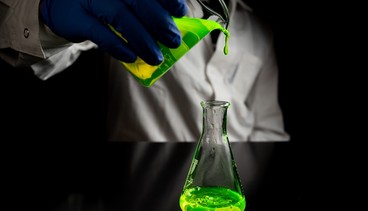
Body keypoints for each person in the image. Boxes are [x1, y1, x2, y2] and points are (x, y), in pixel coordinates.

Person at [0, 0, 290, 142]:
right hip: (139, 194)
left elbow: (269, 130)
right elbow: (35, 54)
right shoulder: (149, 4)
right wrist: (47, 17)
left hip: (229, 194)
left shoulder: (260, 32)